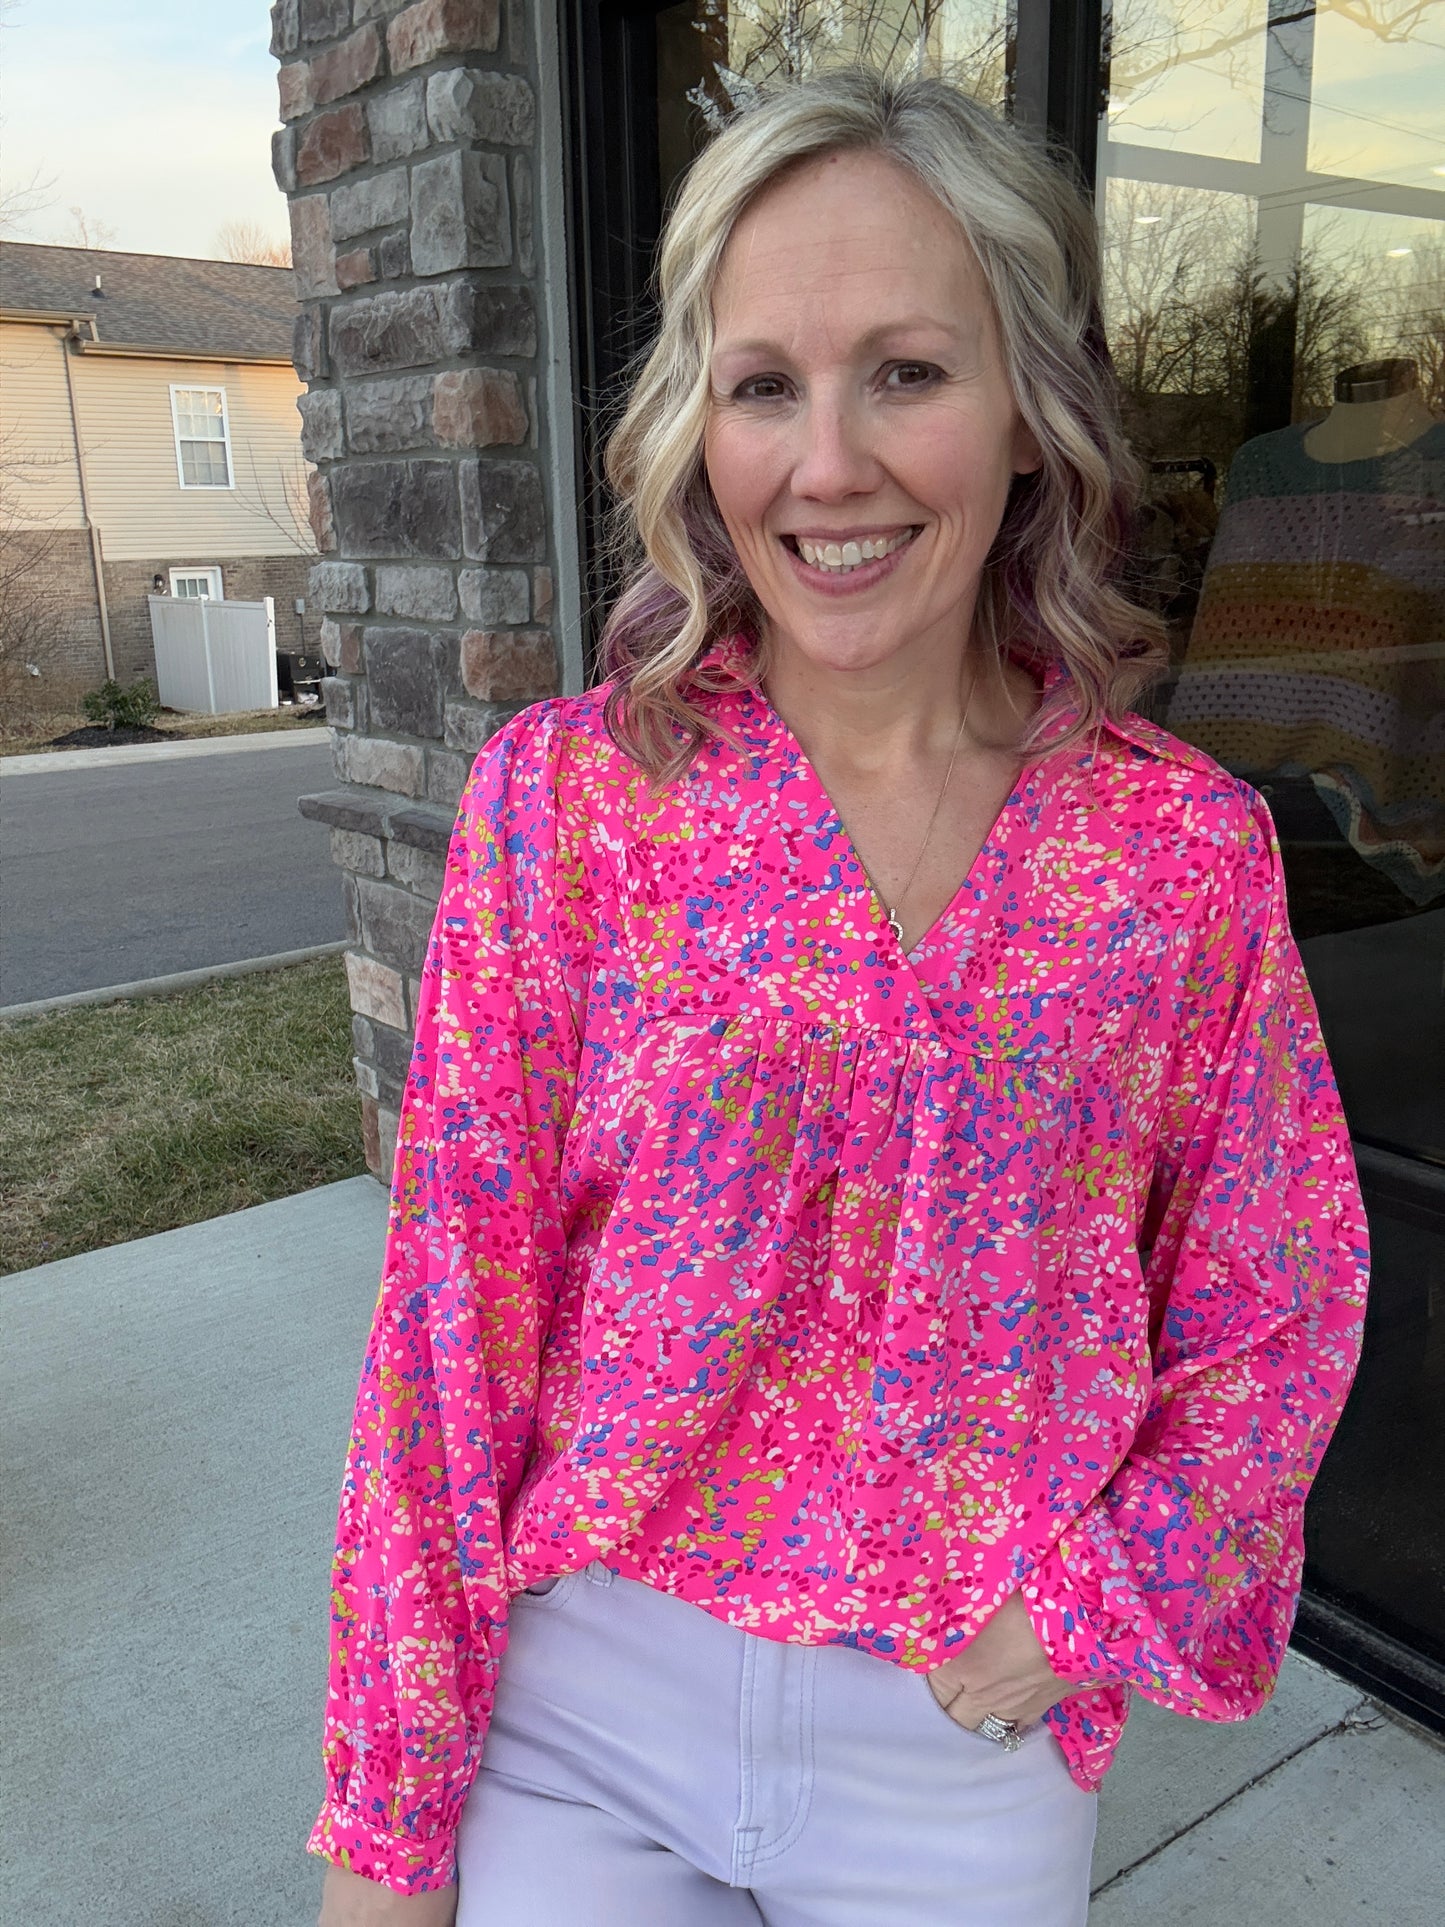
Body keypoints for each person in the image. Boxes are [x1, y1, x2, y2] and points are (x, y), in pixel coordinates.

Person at [313, 69, 1369, 1927]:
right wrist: (394, 1824)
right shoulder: (571, 805)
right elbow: (443, 1345)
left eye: (906, 371)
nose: (828, 465)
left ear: (1028, 412)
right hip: (583, 1724)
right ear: (696, 431)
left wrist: (1087, 1608)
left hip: (954, 1759)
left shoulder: (1174, 855)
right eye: (763, 385)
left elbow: (1276, 1299)